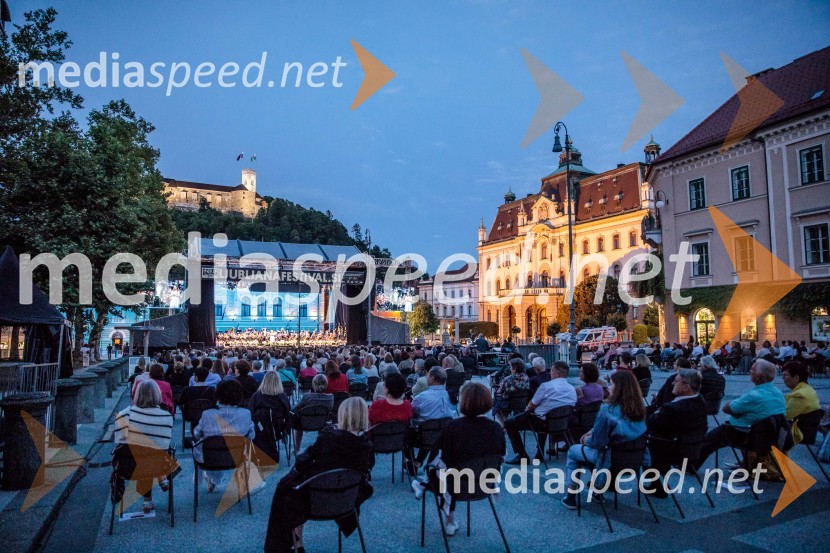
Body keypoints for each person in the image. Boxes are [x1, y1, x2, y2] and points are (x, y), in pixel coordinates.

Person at [265, 397, 374, 553]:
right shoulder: (366, 446)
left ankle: (292, 542)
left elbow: (304, 461)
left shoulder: (328, 438)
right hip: (346, 501)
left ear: (343, 414)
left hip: (316, 501)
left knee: (287, 488)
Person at [410, 383, 506, 535]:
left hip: (455, 486)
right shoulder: (496, 428)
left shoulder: (453, 427)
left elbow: (441, 459)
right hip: (485, 483)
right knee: (452, 469)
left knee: (443, 469)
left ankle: (446, 515)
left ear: (463, 402)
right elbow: (501, 455)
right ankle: (424, 485)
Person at [561, 370, 647, 509]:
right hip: (634, 458)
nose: (608, 387)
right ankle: (597, 491)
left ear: (618, 388)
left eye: (611, 384)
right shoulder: (640, 408)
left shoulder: (607, 409)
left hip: (609, 459)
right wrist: (592, 432)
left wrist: (585, 440)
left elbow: (598, 443)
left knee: (573, 451)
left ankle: (571, 495)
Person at [694, 360, 786, 470]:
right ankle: (747, 464)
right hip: (769, 434)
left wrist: (739, 413)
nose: (750, 372)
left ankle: (691, 466)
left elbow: (726, 408)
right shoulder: (778, 392)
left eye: (752, 370)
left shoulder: (754, 395)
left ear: (759, 376)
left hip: (745, 434)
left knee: (709, 440)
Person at [113, 379, 174, 514]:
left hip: (128, 467)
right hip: (156, 466)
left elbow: (119, 442)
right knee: (152, 453)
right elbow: (165, 443)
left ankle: (148, 500)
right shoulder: (166, 417)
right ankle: (160, 480)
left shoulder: (124, 415)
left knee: (138, 451)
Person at [645, 369, 708, 497]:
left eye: (676, 381)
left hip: (670, 451)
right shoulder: (700, 401)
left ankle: (656, 486)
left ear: (686, 386)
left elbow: (651, 422)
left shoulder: (674, 409)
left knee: (633, 444)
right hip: (691, 447)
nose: (673, 383)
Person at [505, 361, 576, 464]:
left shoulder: (546, 386)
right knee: (543, 414)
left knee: (509, 423)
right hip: (561, 423)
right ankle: (540, 452)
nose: (550, 373)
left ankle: (522, 455)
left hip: (542, 422)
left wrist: (527, 411)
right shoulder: (571, 389)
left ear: (557, 372)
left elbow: (531, 404)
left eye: (551, 370)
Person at [193, 379, 255, 491]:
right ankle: (214, 479)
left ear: (217, 394)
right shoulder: (246, 414)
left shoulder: (207, 414)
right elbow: (251, 435)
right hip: (238, 456)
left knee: (211, 447)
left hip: (209, 457)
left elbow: (197, 433)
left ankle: (212, 479)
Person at [409, 367, 454, 471]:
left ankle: (414, 462)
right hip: (445, 436)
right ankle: (418, 462)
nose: (426, 377)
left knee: (407, 433)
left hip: (423, 436)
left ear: (432, 378)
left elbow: (410, 413)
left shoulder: (421, 397)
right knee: (431, 429)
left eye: (427, 375)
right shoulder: (450, 397)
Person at [249, 371, 292, 465]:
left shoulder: (256, 396)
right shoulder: (282, 397)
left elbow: (251, 414)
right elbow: (287, 413)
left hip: (260, 430)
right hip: (278, 429)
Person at [781, 360, 820, 444]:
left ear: (796, 377)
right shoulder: (807, 389)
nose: (782, 378)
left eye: (785, 375)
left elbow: (785, 415)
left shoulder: (800, 395)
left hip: (799, 432)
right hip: (806, 428)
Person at [292, 374, 334, 452]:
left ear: (313, 384)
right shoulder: (330, 397)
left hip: (305, 424)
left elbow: (295, 409)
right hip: (322, 423)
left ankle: (297, 448)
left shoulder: (307, 396)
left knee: (296, 422)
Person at [492, 358, 530, 426]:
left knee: (495, 402)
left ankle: (505, 424)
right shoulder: (526, 378)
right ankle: (508, 423)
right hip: (523, 403)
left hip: (509, 404)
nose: (510, 368)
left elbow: (499, 392)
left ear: (514, 368)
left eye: (510, 366)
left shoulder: (508, 379)